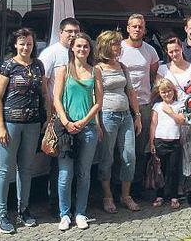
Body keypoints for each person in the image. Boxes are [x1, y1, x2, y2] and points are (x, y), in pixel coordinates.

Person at [0, 28, 47, 233]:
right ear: (15, 44)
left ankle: (23, 210)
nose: (26, 47)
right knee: (4, 169)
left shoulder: (38, 65)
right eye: (22, 43)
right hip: (10, 123)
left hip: (32, 124)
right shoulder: (7, 66)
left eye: (29, 43)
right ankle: (1, 215)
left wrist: (47, 118)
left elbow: (44, 93)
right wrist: (0, 125)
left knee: (26, 169)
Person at [52, 33, 103, 231]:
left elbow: (98, 102)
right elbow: (56, 99)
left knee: (84, 173)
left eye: (86, 47)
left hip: (87, 128)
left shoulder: (95, 71)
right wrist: (66, 122)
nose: (82, 49)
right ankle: (64, 214)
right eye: (79, 46)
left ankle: (80, 212)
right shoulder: (64, 70)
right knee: (65, 174)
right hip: (66, 129)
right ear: (72, 48)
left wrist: (83, 121)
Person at [94, 31, 143, 214]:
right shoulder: (98, 68)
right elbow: (97, 97)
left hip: (125, 116)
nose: (119, 48)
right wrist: (97, 122)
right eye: (115, 45)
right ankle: (107, 196)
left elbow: (131, 91)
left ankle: (125, 194)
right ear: (106, 46)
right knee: (107, 157)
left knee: (129, 156)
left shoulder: (122, 66)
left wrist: (137, 115)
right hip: (108, 115)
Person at [38, 18, 80, 213]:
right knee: (59, 161)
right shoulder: (51, 54)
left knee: (74, 161)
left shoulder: (80, 52)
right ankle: (57, 204)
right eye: (69, 31)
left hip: (78, 116)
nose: (72, 35)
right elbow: (43, 86)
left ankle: (72, 203)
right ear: (60, 32)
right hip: (58, 116)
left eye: (76, 31)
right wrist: (49, 114)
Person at [120, 14, 160, 196]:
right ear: (127, 28)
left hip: (143, 104)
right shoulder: (118, 49)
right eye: (134, 26)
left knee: (139, 147)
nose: (137, 29)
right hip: (122, 105)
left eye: (140, 27)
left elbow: (153, 76)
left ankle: (137, 184)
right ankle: (117, 186)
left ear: (144, 30)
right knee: (120, 148)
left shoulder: (150, 51)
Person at [149, 79, 187, 209]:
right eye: (163, 92)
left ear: (173, 91)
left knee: (173, 170)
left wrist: (170, 111)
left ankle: (174, 196)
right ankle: (160, 195)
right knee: (160, 170)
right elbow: (153, 124)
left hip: (174, 141)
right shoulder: (157, 106)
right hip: (160, 140)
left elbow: (181, 120)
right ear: (159, 93)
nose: (166, 94)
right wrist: (151, 142)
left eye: (169, 91)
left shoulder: (179, 105)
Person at [157, 37, 191, 102]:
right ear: (167, 52)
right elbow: (159, 91)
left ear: (182, 48)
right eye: (171, 52)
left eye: (176, 50)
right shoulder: (162, 69)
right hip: (169, 107)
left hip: (187, 106)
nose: (174, 54)